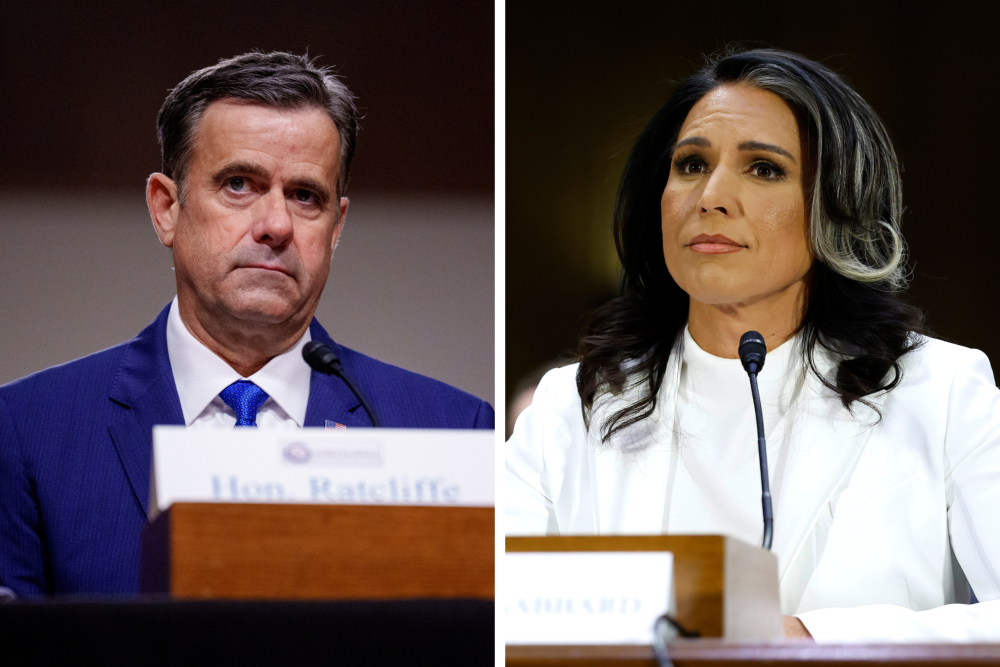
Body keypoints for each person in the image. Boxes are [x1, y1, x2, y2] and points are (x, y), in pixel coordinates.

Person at [505, 48, 1000, 641]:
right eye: (690, 165)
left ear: (835, 207)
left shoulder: (943, 392)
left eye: (764, 168)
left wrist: (805, 638)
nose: (710, 196)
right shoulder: (571, 406)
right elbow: (497, 613)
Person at [0, 52, 494, 598]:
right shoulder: (27, 430)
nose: (277, 225)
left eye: (306, 196)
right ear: (166, 208)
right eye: (239, 184)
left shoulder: (452, 432)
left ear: (337, 227)